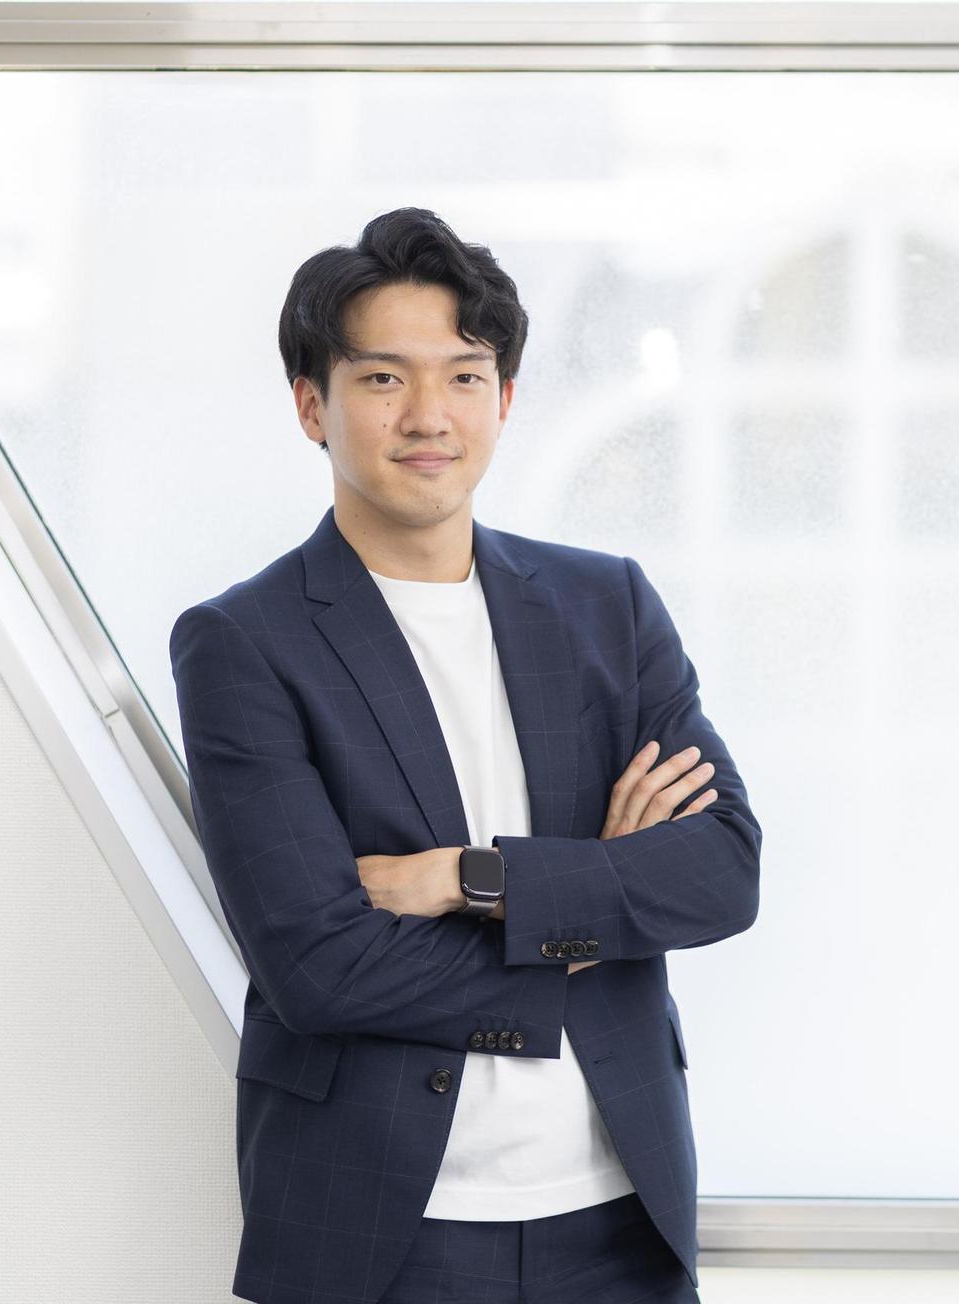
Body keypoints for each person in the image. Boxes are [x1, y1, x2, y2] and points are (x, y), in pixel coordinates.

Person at [169, 207, 762, 1304]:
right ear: (312, 405)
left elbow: (722, 870)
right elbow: (318, 968)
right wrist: (593, 911)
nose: (429, 415)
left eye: (464, 376)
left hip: (619, 1219)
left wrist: (470, 878)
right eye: (383, 379)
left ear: (506, 398)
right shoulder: (244, 643)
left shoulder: (606, 606)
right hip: (383, 1230)